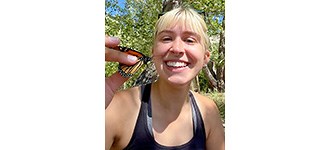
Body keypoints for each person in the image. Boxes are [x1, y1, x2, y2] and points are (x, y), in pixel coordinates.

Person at [105, 6, 225, 150]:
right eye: (167, 38)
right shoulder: (116, 107)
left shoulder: (209, 110)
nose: (177, 49)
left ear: (205, 57)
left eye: (190, 40)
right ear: (153, 52)